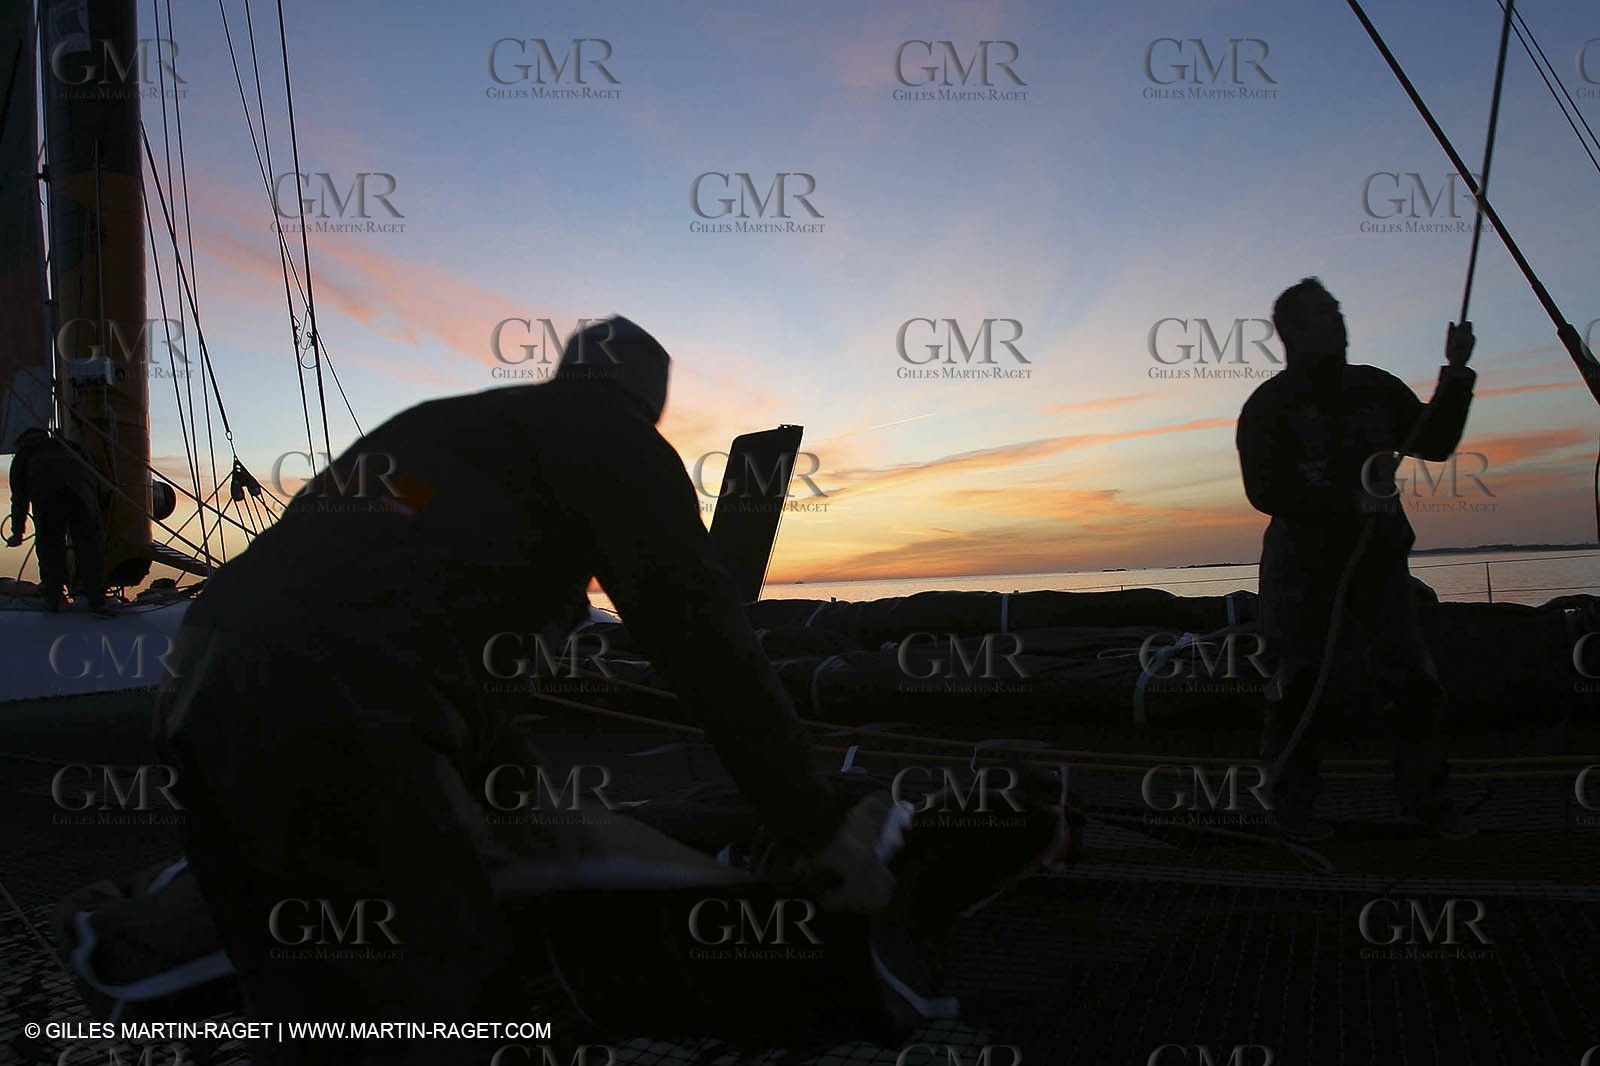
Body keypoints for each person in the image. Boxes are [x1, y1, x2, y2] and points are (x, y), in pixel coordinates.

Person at [154, 317, 899, 1064]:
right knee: (440, 982)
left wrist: (519, 798)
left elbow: (391, 604)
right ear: (649, 396)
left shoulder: (435, 426)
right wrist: (812, 826)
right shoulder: (615, 439)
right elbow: (701, 641)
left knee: (297, 980)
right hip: (349, 704)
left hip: (204, 670)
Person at [1236, 278, 1478, 843]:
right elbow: (1264, 492)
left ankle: (1430, 807)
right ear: (1292, 331)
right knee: (1298, 688)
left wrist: (1457, 372)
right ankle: (1291, 810)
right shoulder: (1269, 407)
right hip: (1302, 573)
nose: (1339, 319)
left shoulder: (1376, 389)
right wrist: (1344, 503)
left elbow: (1435, 441)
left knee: (1413, 685)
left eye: (1338, 310)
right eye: (1324, 313)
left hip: (1379, 565)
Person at [5, 426, 109, 614]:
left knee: (49, 546)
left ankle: (54, 598)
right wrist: (97, 512)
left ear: (21, 442)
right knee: (89, 547)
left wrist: (17, 532)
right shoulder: (70, 447)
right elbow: (97, 480)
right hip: (84, 498)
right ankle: (97, 600)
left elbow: (19, 498)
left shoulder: (24, 454)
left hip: (49, 499)